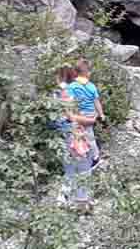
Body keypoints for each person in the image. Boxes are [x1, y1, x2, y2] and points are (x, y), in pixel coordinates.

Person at [54, 65, 96, 212]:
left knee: (70, 167)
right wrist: (91, 120)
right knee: (83, 167)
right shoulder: (69, 92)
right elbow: (71, 116)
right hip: (75, 134)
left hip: (64, 134)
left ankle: (64, 199)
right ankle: (81, 203)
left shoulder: (58, 92)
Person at [69, 59, 105, 169]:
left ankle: (80, 153)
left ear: (76, 72)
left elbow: (70, 102)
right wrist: (101, 114)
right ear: (88, 73)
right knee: (90, 136)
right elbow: (96, 102)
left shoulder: (72, 86)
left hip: (79, 115)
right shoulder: (92, 86)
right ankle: (95, 156)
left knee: (76, 133)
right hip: (90, 114)